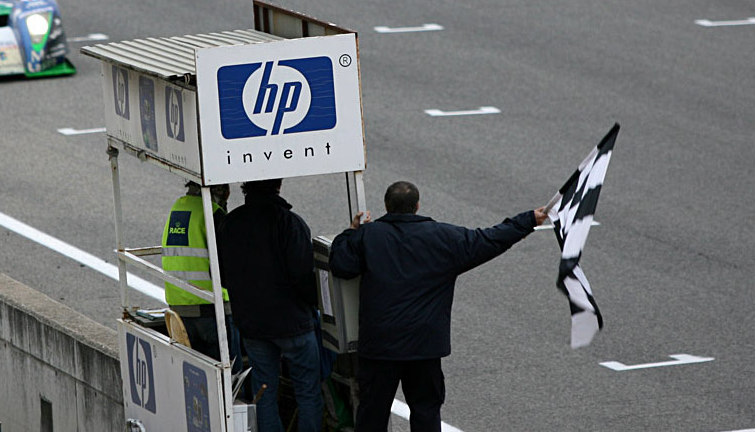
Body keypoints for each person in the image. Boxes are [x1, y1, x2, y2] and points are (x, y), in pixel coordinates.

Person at [329, 180, 547, 432]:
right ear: (417, 206)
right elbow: (491, 239)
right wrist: (528, 219)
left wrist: (351, 232)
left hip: (380, 346)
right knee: (426, 411)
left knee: (372, 414)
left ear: (386, 206)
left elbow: (341, 265)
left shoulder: (368, 235)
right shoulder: (444, 237)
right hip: (425, 348)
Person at [217, 179, 323, 432]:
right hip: (293, 322)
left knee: (264, 391)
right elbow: (302, 276)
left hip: (253, 323)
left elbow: (222, 272)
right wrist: (313, 305)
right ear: (278, 186)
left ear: (245, 188)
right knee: (308, 392)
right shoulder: (290, 223)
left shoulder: (230, 223)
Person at [161, 181, 240, 365]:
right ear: (220, 190)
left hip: (180, 307)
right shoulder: (212, 213)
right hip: (211, 308)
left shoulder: (178, 208)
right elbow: (228, 262)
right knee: (230, 376)